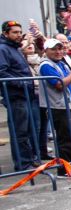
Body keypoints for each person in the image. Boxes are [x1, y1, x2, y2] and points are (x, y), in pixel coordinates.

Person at [38, 38, 71, 179]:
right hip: (58, 106)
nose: (58, 51)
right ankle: (63, 169)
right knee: (64, 138)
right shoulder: (45, 65)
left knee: (70, 136)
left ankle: (69, 163)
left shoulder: (61, 64)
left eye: (60, 48)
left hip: (69, 104)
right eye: (54, 49)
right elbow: (60, 85)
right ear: (46, 50)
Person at [0, 21, 38, 170]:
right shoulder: (3, 49)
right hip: (16, 96)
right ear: (5, 33)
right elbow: (2, 72)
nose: (18, 35)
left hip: (25, 95)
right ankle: (23, 163)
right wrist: (21, 83)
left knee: (28, 130)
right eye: (14, 32)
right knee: (20, 131)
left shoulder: (14, 48)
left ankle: (28, 159)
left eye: (19, 32)